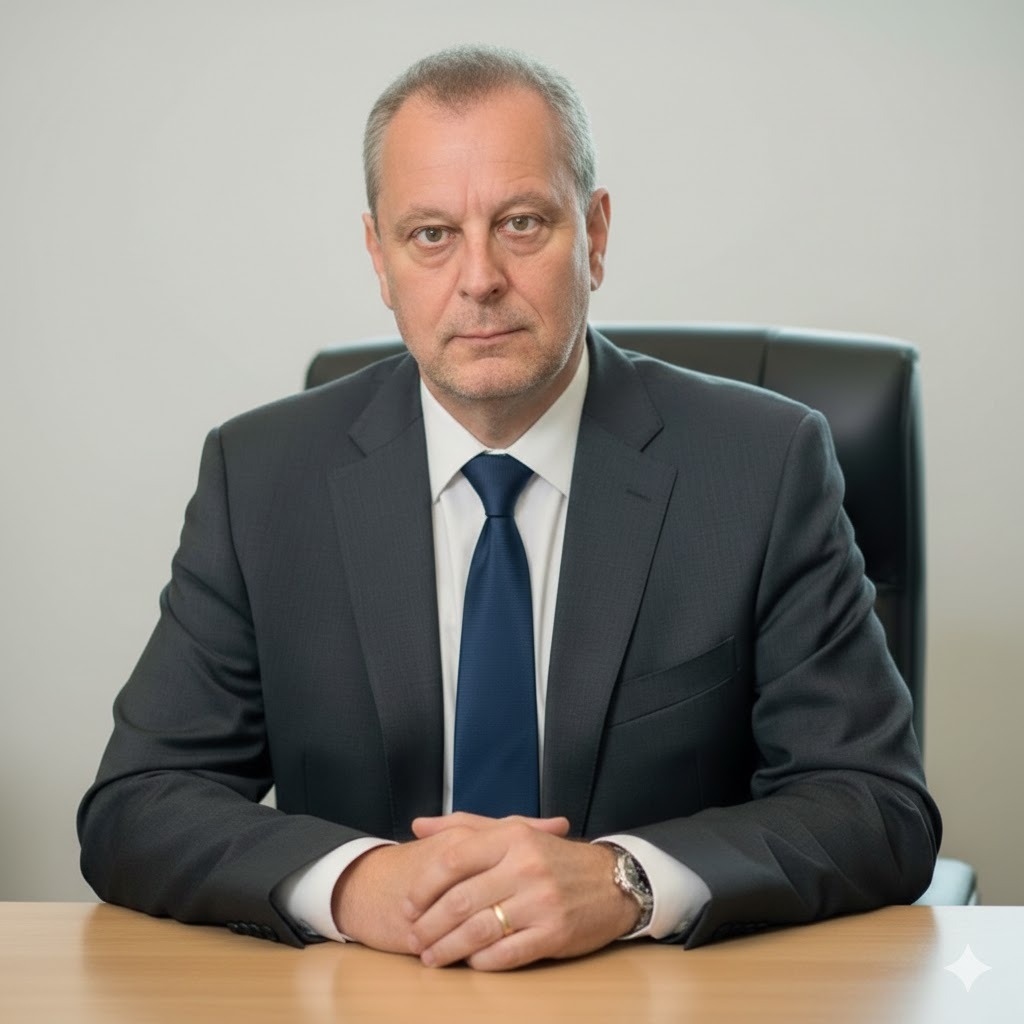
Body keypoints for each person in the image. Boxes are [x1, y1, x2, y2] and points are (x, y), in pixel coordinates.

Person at [78, 44, 941, 971]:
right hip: (370, 992)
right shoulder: (261, 477)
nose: (480, 277)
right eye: (431, 235)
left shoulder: (760, 467)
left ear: (595, 234)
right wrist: (357, 881)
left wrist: (626, 880)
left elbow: (875, 805)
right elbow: (139, 801)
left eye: (522, 223)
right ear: (379, 258)